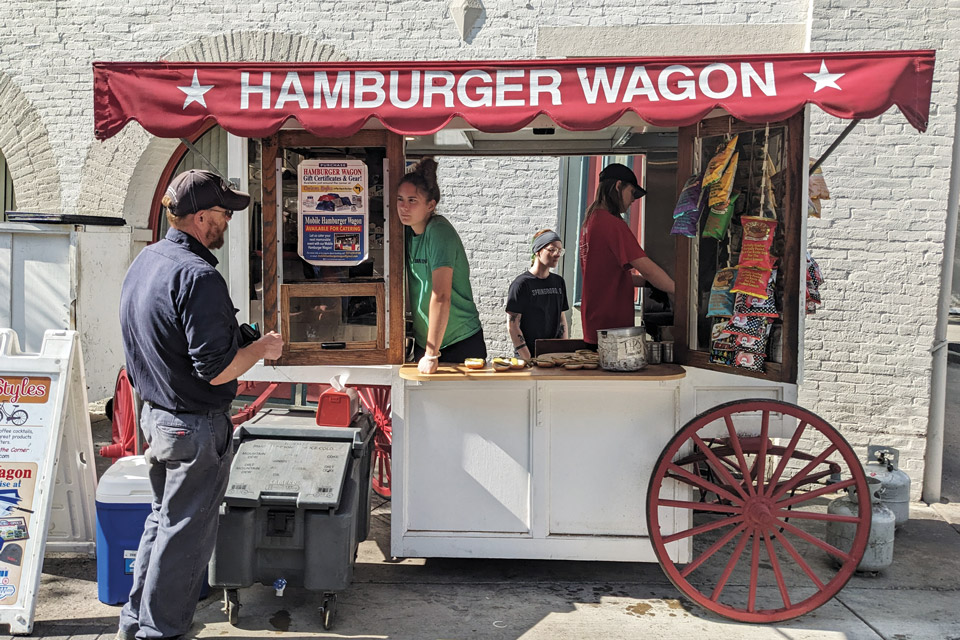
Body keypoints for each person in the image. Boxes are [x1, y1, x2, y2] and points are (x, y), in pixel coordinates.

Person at [116, 169, 283, 640]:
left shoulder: (146, 261)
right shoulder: (198, 275)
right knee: (185, 534)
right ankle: (161, 631)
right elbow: (217, 370)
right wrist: (261, 349)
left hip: (158, 417)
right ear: (201, 216)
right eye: (223, 214)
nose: (227, 223)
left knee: (162, 523)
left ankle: (135, 623)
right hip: (193, 425)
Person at [399, 158, 486, 374]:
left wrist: (431, 354)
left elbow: (441, 295)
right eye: (400, 199)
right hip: (427, 342)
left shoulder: (438, 231)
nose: (404, 207)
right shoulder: (407, 232)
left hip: (457, 342)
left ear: (431, 205)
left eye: (412, 200)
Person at [579, 163, 675, 347]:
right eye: (632, 193)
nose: (634, 200)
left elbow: (607, 275)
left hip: (595, 322)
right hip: (613, 326)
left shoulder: (590, 221)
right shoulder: (612, 224)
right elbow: (648, 269)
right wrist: (679, 291)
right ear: (618, 186)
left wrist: (648, 285)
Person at [506, 229, 569, 360]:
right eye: (552, 250)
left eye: (560, 250)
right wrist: (528, 358)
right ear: (538, 251)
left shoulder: (559, 282)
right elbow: (513, 325)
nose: (557, 254)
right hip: (528, 357)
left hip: (553, 357)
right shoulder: (521, 284)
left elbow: (561, 319)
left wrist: (562, 352)